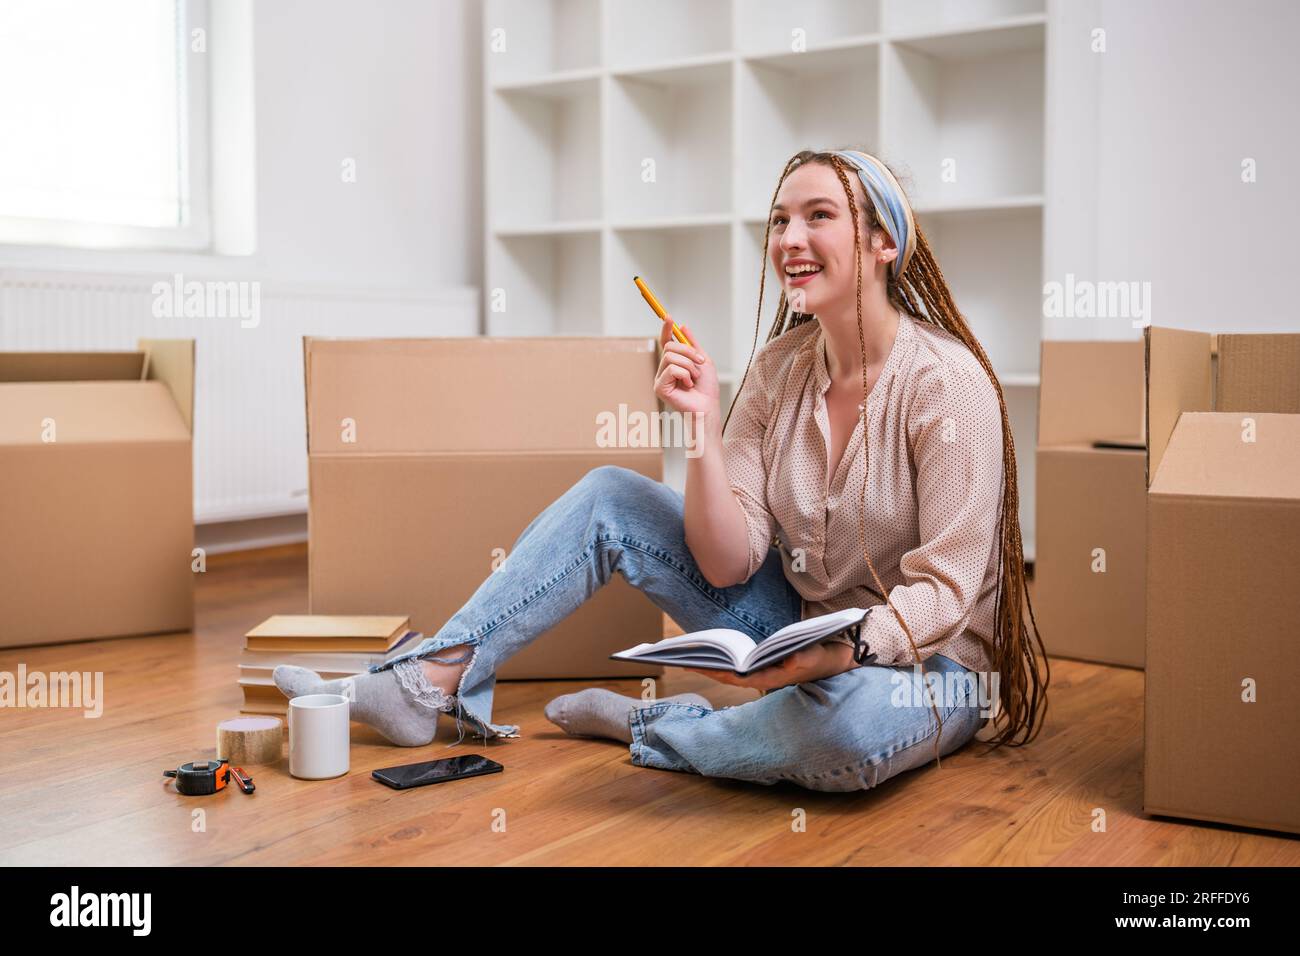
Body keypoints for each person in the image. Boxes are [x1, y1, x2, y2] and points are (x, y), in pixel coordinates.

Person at [275, 147, 1050, 793]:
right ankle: (424, 682)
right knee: (612, 494)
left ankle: (660, 725)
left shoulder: (946, 386)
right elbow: (727, 558)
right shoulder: (778, 372)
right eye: (779, 219)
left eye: (819, 215)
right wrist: (703, 428)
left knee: (842, 733)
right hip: (804, 626)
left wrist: (844, 652)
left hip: (929, 661)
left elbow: (946, 594)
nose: (789, 237)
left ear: (884, 243)